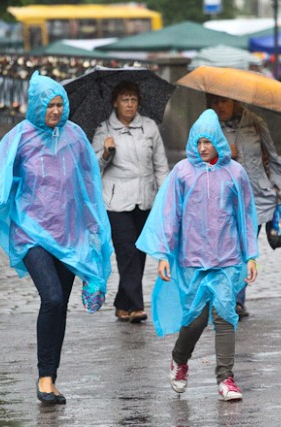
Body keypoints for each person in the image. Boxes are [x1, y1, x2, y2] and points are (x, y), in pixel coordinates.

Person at [0, 71, 112, 404]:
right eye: (49, 104)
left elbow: (87, 181)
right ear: (36, 106)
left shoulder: (75, 136)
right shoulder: (19, 136)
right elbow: (0, 170)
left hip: (68, 233)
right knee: (50, 297)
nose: (55, 110)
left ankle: (49, 378)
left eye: (60, 103)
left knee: (59, 305)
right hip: (32, 232)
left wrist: (93, 228)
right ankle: (44, 377)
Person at [136, 109, 258, 401]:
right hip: (192, 259)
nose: (202, 147)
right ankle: (180, 360)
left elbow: (246, 216)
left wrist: (251, 255)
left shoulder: (235, 174)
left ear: (217, 141)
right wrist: (164, 253)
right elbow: (169, 215)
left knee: (226, 314)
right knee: (196, 319)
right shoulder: (182, 173)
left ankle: (226, 378)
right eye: (198, 141)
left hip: (227, 258)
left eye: (208, 142)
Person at [91, 80, 169, 323]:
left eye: (133, 99)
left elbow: (160, 165)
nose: (130, 104)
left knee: (140, 253)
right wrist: (105, 153)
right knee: (127, 254)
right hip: (116, 202)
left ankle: (122, 304)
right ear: (115, 102)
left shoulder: (149, 128)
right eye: (125, 99)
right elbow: (92, 168)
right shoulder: (104, 129)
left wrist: (166, 196)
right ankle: (136, 306)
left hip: (145, 199)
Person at [206, 94, 281, 318]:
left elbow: (273, 157)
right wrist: (221, 156)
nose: (220, 106)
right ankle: (225, 295)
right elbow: (198, 162)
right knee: (228, 248)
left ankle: (237, 300)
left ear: (235, 102)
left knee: (245, 249)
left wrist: (274, 186)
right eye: (215, 102)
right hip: (225, 199)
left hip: (257, 199)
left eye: (224, 101)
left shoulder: (255, 123)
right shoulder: (209, 127)